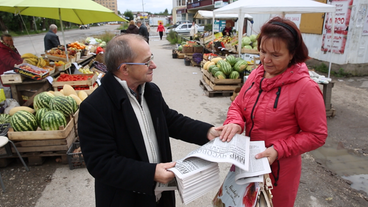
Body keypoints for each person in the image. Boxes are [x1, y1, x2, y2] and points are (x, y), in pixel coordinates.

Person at [78, 34, 221, 207]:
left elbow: (171, 121)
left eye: (151, 58)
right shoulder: (95, 107)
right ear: (125, 69)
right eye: (146, 62)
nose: (153, 65)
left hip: (160, 196)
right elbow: (102, 163)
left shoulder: (150, 91)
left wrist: (207, 132)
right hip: (127, 200)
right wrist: (151, 173)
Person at [218, 16, 328, 207]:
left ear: (292, 54)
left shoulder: (306, 88)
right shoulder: (256, 74)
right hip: (248, 163)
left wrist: (279, 149)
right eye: (262, 52)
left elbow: (317, 134)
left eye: (275, 55)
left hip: (279, 172)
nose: (266, 60)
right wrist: (235, 122)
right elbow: (238, 105)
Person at [0, 34, 23, 98]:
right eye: (7, 40)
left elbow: (18, 57)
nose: (9, 42)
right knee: (10, 91)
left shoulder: (11, 47)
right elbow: (9, 61)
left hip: (14, 72)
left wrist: (23, 61)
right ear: (2, 41)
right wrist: (21, 64)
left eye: (10, 40)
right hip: (6, 74)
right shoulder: (1, 49)